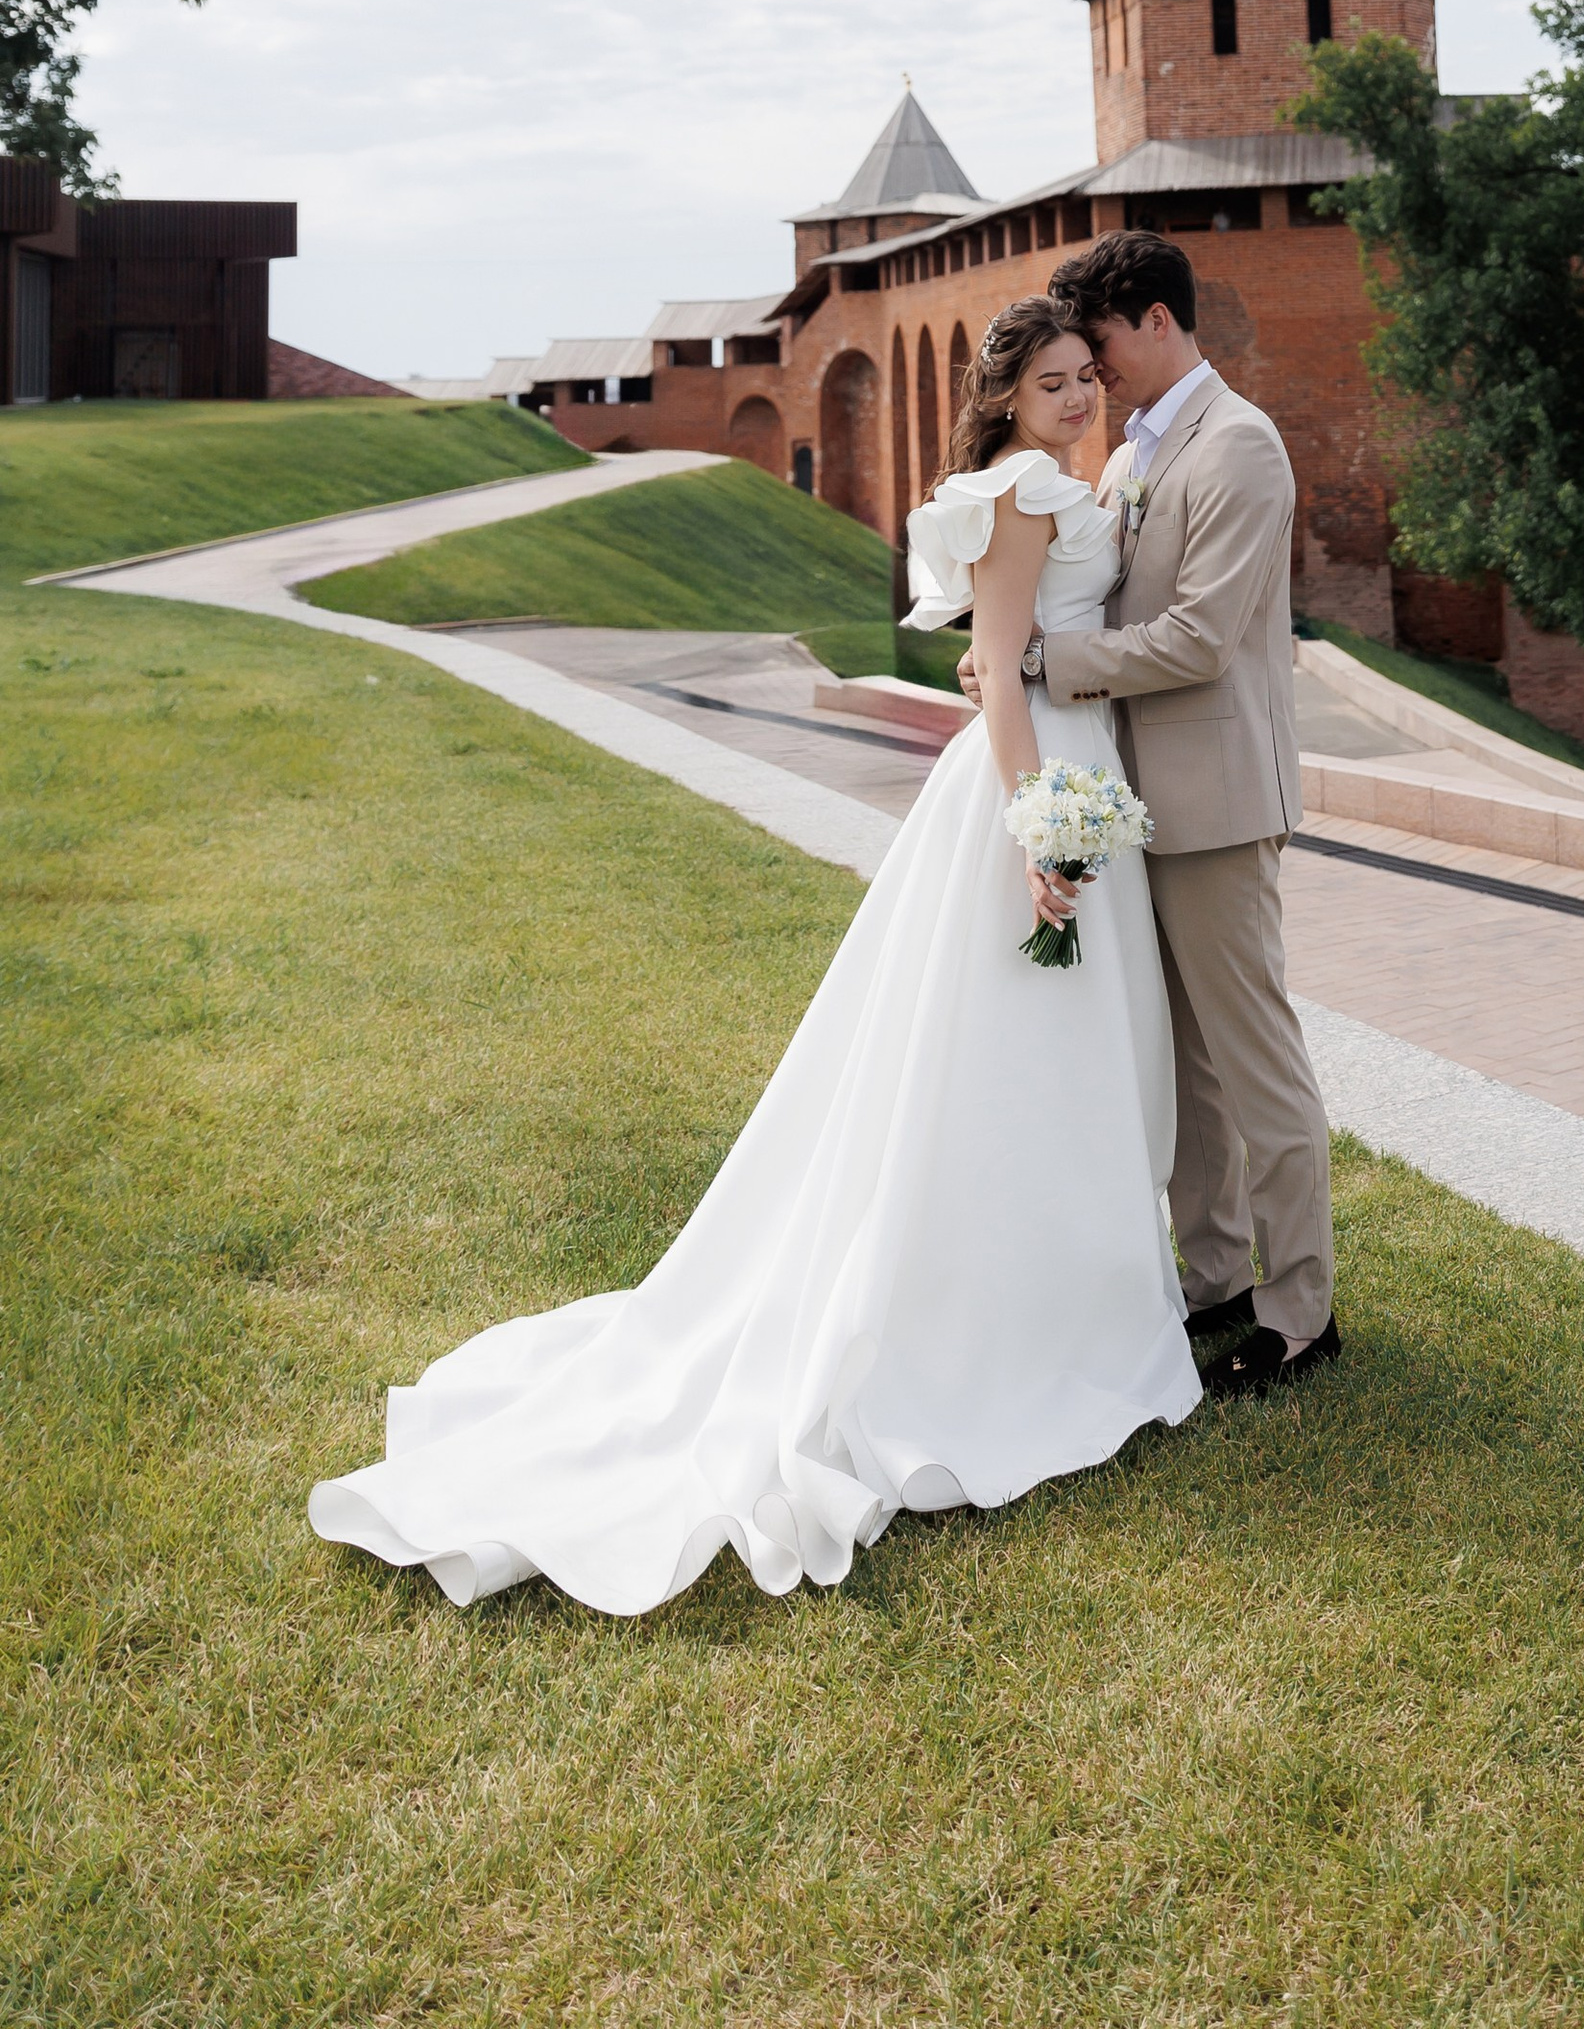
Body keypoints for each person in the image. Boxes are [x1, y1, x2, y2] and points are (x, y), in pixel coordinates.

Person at [307, 302, 1199, 1616]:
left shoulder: (1073, 484)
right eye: (1053, 382)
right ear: (1008, 398)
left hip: (1078, 766)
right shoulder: (1019, 496)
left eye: (1087, 379)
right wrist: (1039, 825)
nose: (1077, 398)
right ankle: (1000, 1319)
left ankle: (1076, 1296)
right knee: (1004, 1051)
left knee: (1060, 1051)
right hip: (1033, 784)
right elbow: (1000, 674)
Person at [982, 227, 1339, 1397]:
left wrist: (1044, 663)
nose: (1093, 378)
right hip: (1143, 803)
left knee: (1255, 1063)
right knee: (1184, 1069)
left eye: (1100, 350)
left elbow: (1194, 639)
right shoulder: (1137, 453)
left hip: (1220, 802)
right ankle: (1216, 1279)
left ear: (1152, 320)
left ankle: (1300, 1315)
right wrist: (1009, 661)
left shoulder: (1238, 447)